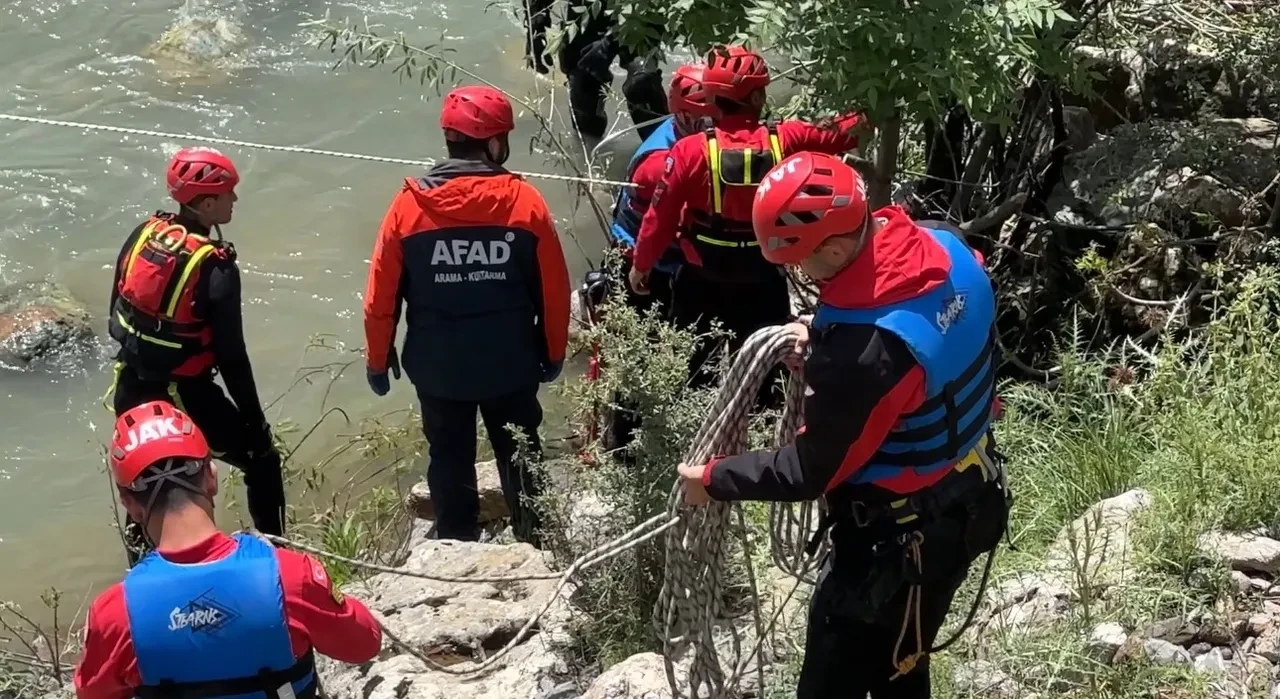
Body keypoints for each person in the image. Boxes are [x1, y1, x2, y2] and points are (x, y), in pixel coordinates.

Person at [676, 152, 1011, 698]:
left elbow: (808, 471)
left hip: (894, 546)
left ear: (834, 247)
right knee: (904, 661)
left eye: (803, 261)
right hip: (967, 501)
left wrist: (712, 480)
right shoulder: (944, 243)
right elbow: (919, 326)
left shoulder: (864, 358)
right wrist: (830, 334)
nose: (800, 274)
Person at [363, 85, 570, 544]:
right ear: (495, 143)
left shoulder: (408, 207)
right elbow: (555, 291)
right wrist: (554, 350)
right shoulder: (526, 204)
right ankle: (537, 541)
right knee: (519, 453)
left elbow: (381, 298)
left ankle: (456, 544)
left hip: (439, 370)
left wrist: (378, 360)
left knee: (449, 455)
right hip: (511, 365)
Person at [75, 401, 383, 699]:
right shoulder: (290, 575)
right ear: (211, 476)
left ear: (129, 503)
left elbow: (92, 694)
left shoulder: (115, 613)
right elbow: (364, 644)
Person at [628, 45, 866, 387]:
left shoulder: (689, 151)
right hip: (762, 278)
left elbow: (659, 218)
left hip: (701, 279)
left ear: (713, 98)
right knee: (765, 373)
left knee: (695, 372)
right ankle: (762, 430)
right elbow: (838, 134)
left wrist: (642, 265)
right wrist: (873, 109)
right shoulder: (786, 139)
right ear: (755, 97)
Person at [106, 146, 285, 563]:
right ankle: (278, 559)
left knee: (144, 483)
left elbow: (116, 305)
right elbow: (232, 356)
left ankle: (142, 572)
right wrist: (255, 421)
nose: (235, 201)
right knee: (262, 463)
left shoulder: (143, 233)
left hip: (131, 390)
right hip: (186, 395)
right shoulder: (216, 267)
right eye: (228, 194)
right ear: (207, 203)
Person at [609, 62, 721, 316]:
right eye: (707, 119)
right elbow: (662, 224)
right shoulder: (657, 165)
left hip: (669, 259)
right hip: (646, 265)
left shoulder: (685, 136)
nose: (715, 126)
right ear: (682, 116)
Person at [522, 0, 668, 141]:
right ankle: (588, 159)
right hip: (587, 8)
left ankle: (668, 155)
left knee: (641, 82)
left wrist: (610, 43)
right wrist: (536, 22)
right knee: (583, 82)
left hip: (638, 10)